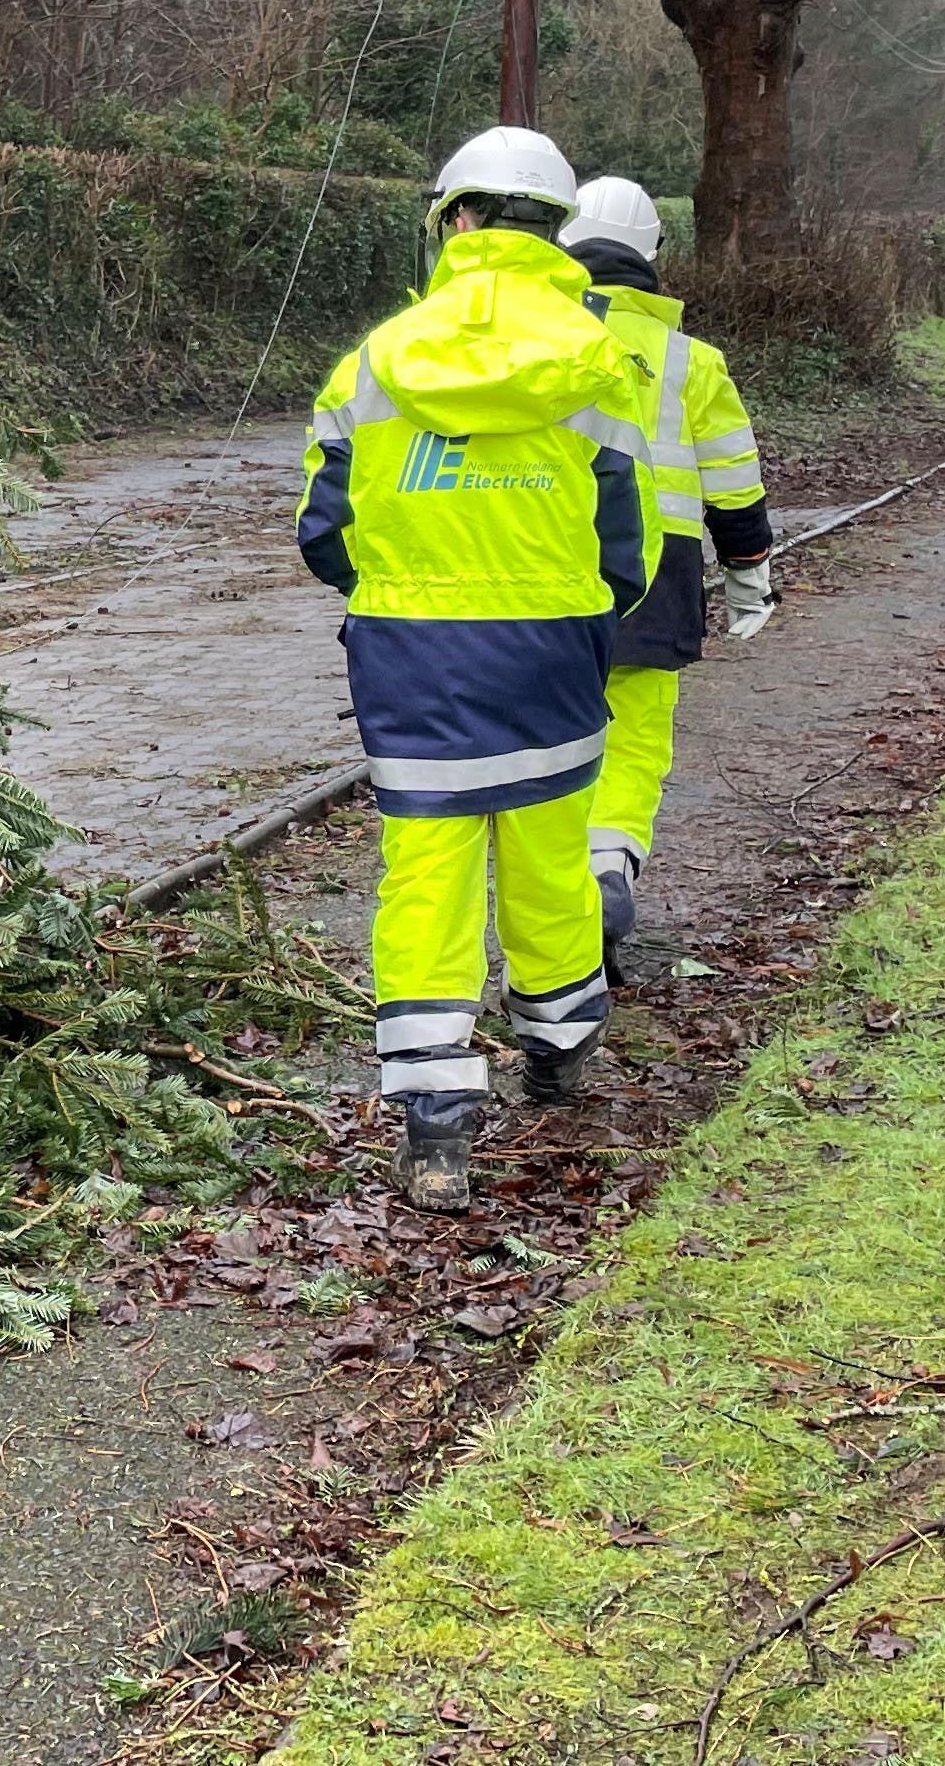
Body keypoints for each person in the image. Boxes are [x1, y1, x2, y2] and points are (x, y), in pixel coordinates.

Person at [295, 128, 654, 1213]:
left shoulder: (375, 362)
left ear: (454, 219)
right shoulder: (598, 364)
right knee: (549, 860)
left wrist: (410, 583)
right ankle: (559, 1051)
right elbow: (623, 552)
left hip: (413, 662)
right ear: (556, 227)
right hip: (551, 655)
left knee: (427, 879)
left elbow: (323, 534)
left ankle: (438, 1128)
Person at [555, 178, 776, 968]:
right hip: (659, 580)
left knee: (548, 741)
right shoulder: (690, 362)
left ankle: (552, 902)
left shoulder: (536, 339)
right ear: (655, 255)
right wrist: (749, 568)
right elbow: (734, 480)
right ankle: (608, 862)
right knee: (636, 739)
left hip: (544, 568)